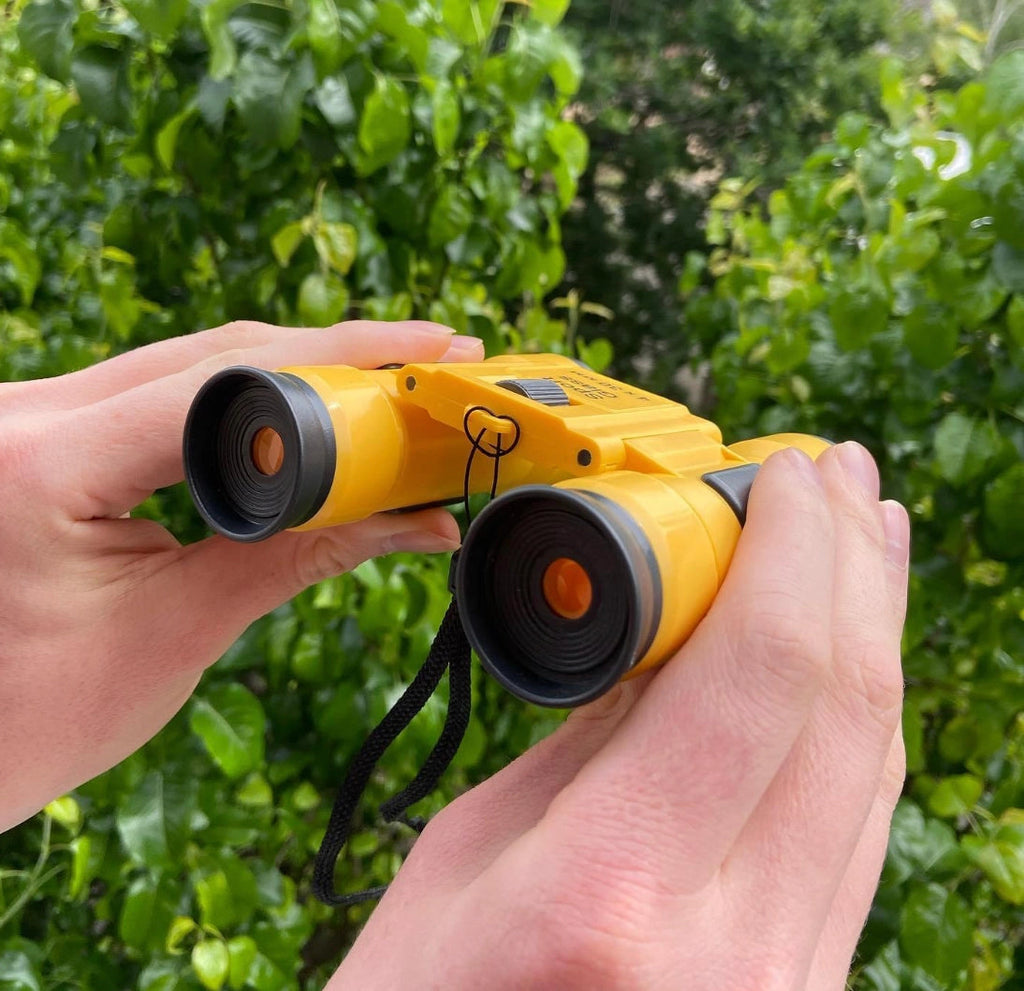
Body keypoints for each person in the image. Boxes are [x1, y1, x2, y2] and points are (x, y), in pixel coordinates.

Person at [0, 319, 909, 990]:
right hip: (667, 480)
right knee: (715, 513)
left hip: (649, 454)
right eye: (262, 445)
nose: (259, 452)